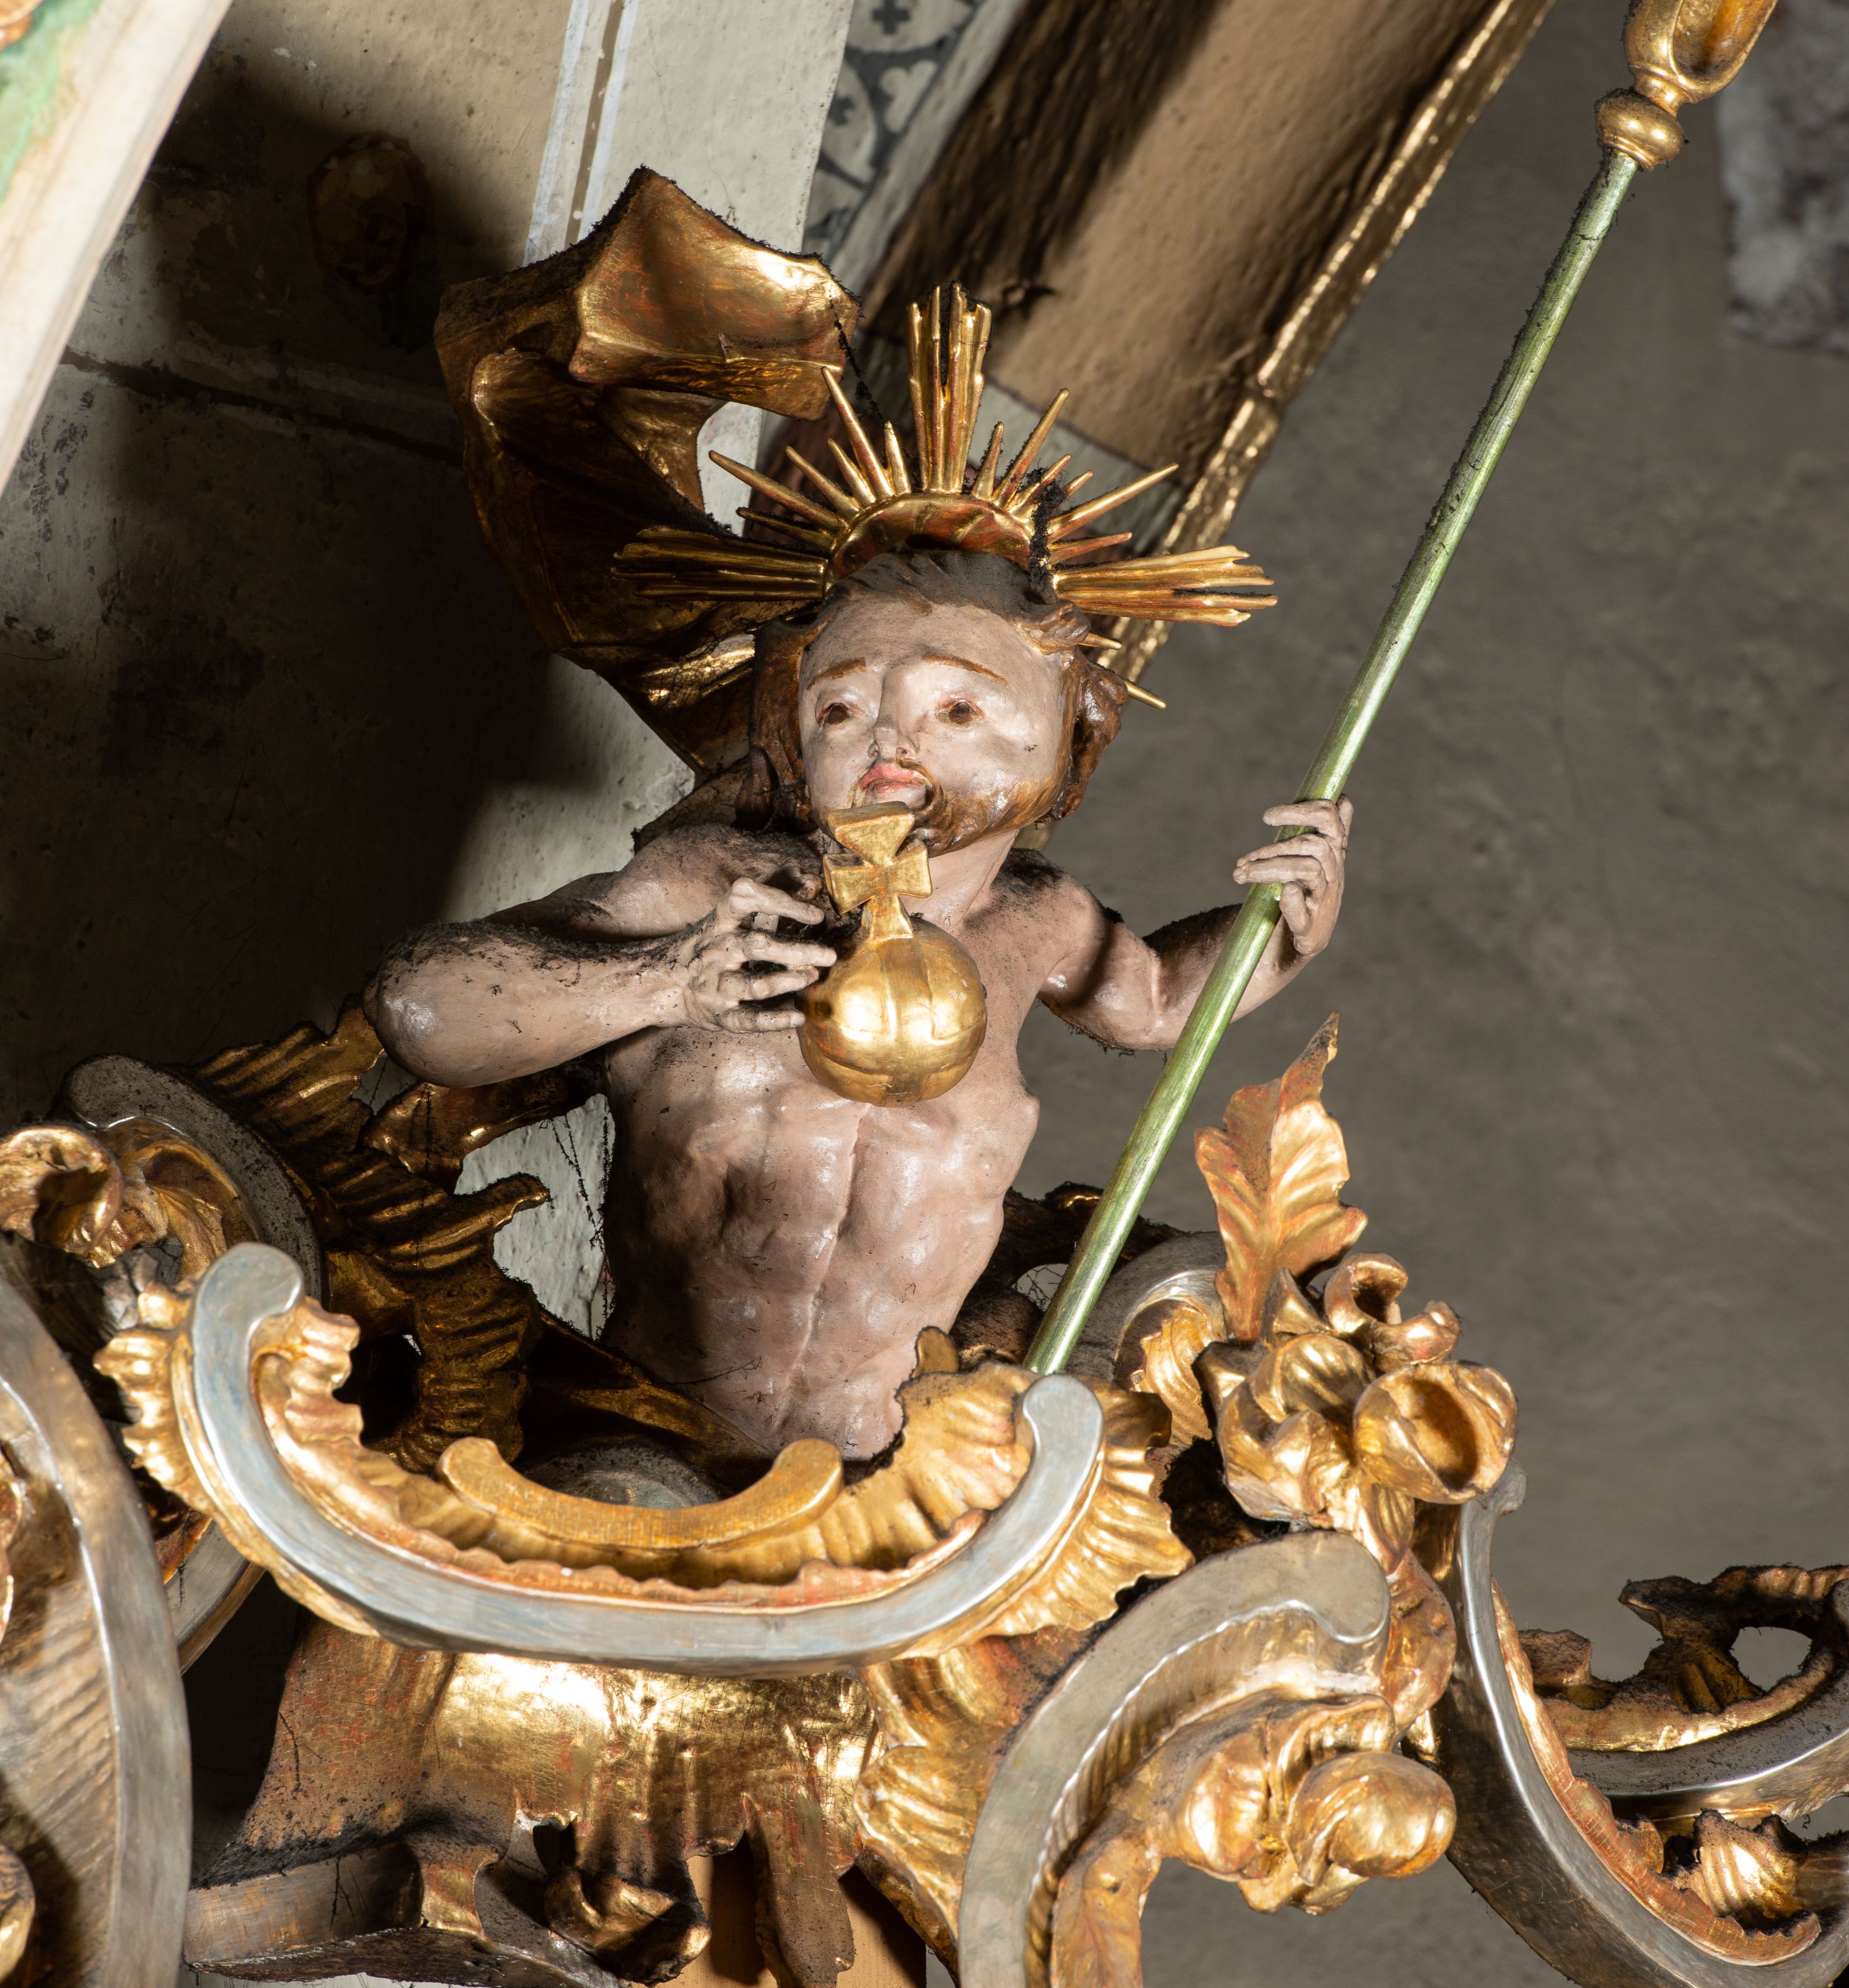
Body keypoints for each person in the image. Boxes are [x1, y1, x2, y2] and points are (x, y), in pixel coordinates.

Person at [369, 542, 1350, 1459]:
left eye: (955, 709)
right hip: (651, 1439)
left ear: (1067, 731)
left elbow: (1167, 999)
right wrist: (667, 978)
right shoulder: (709, 886)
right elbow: (416, 1004)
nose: (886, 735)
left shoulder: (1038, 921)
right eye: (839, 709)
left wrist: (1286, 928)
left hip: (890, 1486)